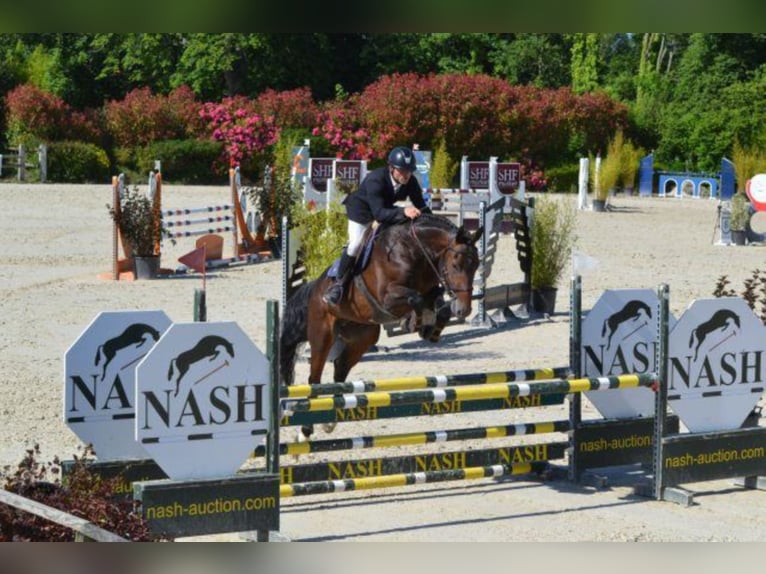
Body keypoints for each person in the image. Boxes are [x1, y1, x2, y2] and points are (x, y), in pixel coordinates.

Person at [323, 146, 431, 305]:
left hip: (383, 211)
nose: (406, 175)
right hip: (360, 212)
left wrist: (435, 223)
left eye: (409, 171)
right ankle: (338, 285)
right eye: (402, 171)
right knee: (355, 245)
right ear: (392, 168)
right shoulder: (376, 179)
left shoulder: (410, 181)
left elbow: (421, 206)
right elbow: (379, 214)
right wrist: (404, 211)